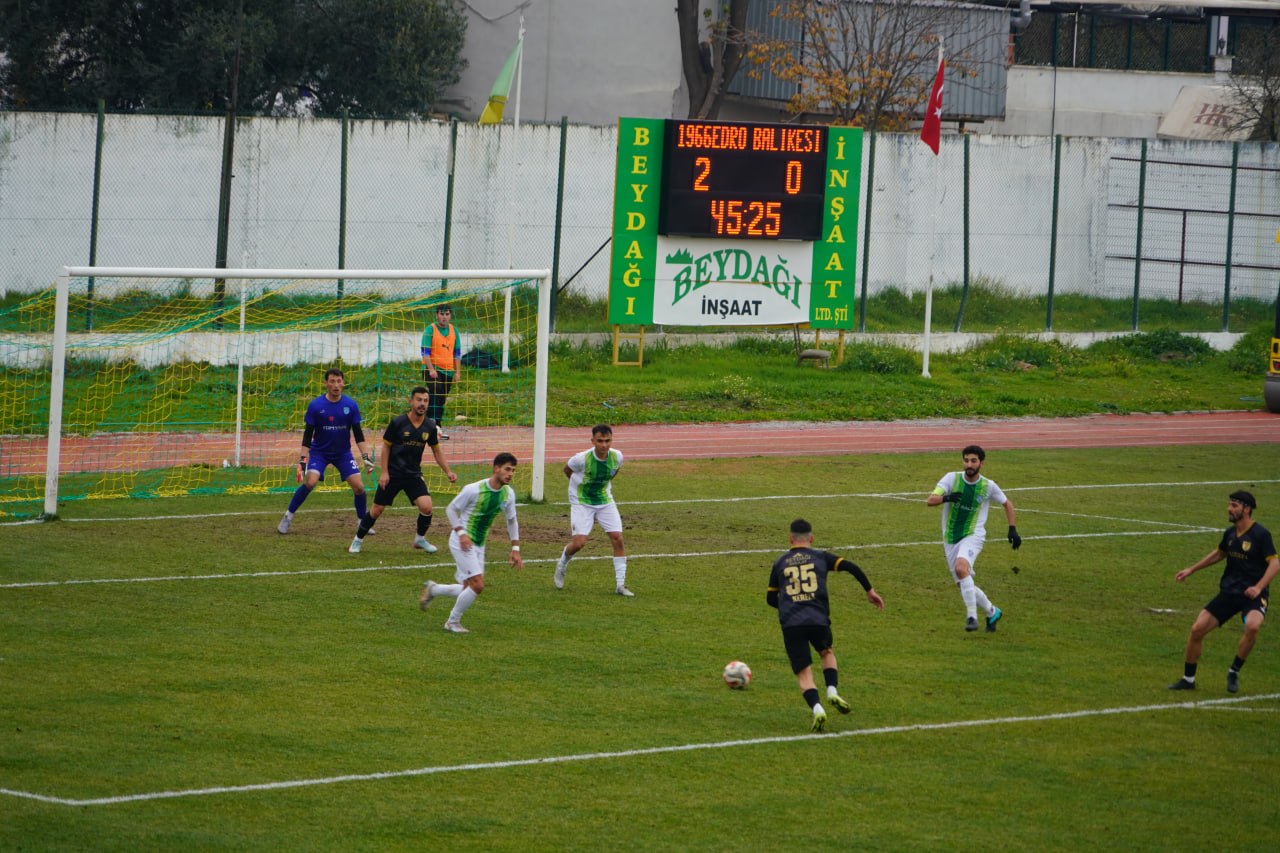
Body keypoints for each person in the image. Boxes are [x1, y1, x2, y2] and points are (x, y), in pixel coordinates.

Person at [767, 518, 885, 732]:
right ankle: (832, 690)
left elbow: (770, 599)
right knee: (826, 652)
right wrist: (869, 591)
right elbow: (850, 566)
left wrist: (789, 604)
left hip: (792, 623)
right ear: (811, 538)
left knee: (804, 673)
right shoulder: (820, 557)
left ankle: (817, 708)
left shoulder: (780, 561)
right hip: (818, 619)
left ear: (790, 539)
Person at [1168, 490, 1279, 694]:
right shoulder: (1230, 533)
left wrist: (1258, 587)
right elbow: (1219, 554)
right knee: (1197, 629)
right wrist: (1191, 569)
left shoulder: (1261, 535)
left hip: (1252, 595)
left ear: (1247, 509)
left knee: (1253, 626)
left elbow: (1275, 564)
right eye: (1229, 505)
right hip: (1230, 592)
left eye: (1234, 506)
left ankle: (1234, 670)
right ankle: (1188, 679)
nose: (1229, 509)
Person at [418, 452, 523, 633]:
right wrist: (461, 533)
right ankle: (452, 622)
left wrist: (515, 548)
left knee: (468, 588)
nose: (510, 473)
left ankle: (434, 590)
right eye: (507, 469)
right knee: (478, 585)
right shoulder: (474, 489)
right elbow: (451, 509)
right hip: (462, 542)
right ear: (496, 469)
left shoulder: (508, 494)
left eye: (513, 470)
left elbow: (512, 520)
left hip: (479, 544)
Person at [348, 386, 457, 555]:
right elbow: (386, 447)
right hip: (393, 474)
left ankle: (419, 539)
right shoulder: (398, 422)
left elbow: (437, 451)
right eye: (419, 400)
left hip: (413, 475)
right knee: (377, 510)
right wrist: (384, 472)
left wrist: (448, 471)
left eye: (425, 401)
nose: (422, 404)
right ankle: (358, 539)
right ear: (411, 401)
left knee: (427, 507)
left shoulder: (430, 425)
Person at [926, 444, 1020, 632]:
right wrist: (947, 498)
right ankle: (993, 612)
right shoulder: (951, 478)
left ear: (981, 464)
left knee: (961, 568)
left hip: (973, 535)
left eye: (973, 461)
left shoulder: (987, 485)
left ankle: (971, 617)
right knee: (963, 583)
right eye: (966, 460)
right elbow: (930, 500)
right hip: (951, 537)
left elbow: (1007, 503)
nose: (969, 464)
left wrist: (1012, 529)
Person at [278, 367, 374, 534]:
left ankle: (362, 523)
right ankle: (288, 517)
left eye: (339, 381)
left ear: (343, 383)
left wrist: (366, 457)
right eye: (332, 381)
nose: (336, 385)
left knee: (359, 487)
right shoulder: (316, 405)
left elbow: (358, 435)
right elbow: (308, 436)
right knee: (310, 482)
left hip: (343, 454)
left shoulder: (350, 405)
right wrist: (302, 459)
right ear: (326, 384)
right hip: (319, 453)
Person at [553, 424, 632, 596]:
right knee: (579, 543)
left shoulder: (617, 456)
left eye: (607, 441)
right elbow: (567, 470)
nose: (604, 445)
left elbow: (613, 472)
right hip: (581, 501)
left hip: (604, 499)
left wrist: (602, 487)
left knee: (617, 538)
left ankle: (620, 585)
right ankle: (562, 564)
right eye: (600, 441)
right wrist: (580, 488)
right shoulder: (581, 459)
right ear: (592, 441)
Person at [421, 304, 461, 439]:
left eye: (447, 314)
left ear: (450, 315)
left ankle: (427, 425)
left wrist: (457, 372)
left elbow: (457, 353)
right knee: (436, 392)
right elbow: (425, 352)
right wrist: (431, 369)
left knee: (441, 399)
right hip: (432, 369)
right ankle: (435, 426)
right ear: (437, 315)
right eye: (442, 314)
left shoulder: (454, 331)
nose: (444, 317)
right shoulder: (430, 329)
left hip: (448, 371)